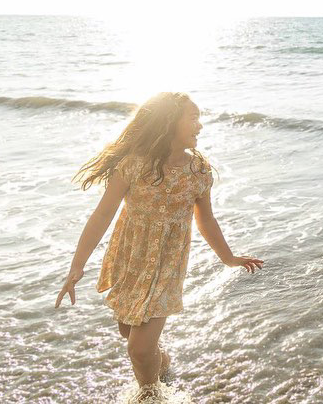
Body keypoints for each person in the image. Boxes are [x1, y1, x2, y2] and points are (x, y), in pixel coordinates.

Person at [55, 92, 263, 400]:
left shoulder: (198, 171)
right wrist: (77, 266)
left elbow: (206, 221)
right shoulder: (134, 165)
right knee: (130, 332)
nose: (200, 126)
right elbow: (102, 215)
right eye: (193, 118)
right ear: (169, 122)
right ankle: (162, 362)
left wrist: (228, 258)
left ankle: (150, 395)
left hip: (168, 263)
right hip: (131, 258)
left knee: (138, 349)